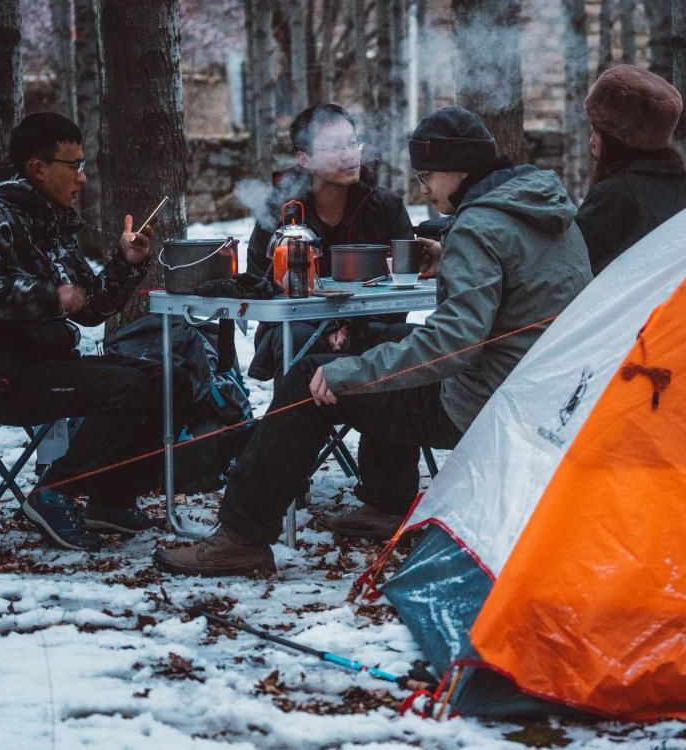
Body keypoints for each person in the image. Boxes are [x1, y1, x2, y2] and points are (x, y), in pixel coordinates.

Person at [154, 106, 593, 577]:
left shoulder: (476, 225)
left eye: (428, 175)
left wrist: (351, 372)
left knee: (311, 378)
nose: (423, 188)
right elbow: (518, 285)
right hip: (549, 394)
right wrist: (450, 259)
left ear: (457, 169)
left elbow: (454, 343)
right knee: (386, 340)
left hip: (482, 401)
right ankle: (386, 500)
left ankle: (241, 536)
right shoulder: (542, 207)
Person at [0, 112, 194, 553]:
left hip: (50, 363)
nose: (81, 179)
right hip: (3, 375)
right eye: (72, 166)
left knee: (172, 378)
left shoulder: (52, 222)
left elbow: (92, 308)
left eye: (83, 166)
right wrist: (49, 297)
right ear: (37, 168)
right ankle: (52, 491)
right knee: (129, 388)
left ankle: (111, 499)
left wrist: (126, 264)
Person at [245, 103, 414, 380]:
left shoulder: (385, 206)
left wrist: (352, 326)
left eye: (352, 143)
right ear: (304, 159)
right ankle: (297, 421)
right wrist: (326, 327)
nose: (349, 155)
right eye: (335, 147)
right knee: (296, 338)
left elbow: (403, 285)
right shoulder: (280, 209)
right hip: (296, 325)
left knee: (409, 338)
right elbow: (258, 284)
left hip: (370, 324)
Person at [575, 64, 686, 275]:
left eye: (597, 130)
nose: (591, 142)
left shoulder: (612, 198)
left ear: (618, 140)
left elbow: (576, 271)